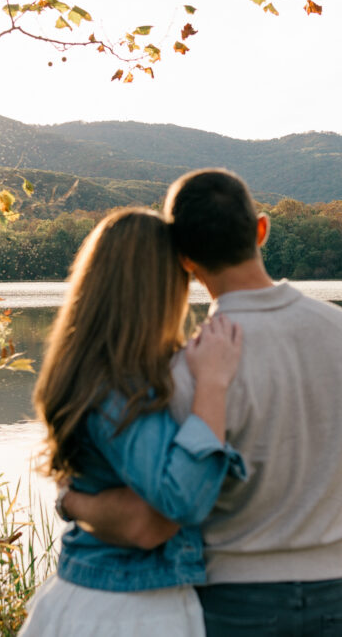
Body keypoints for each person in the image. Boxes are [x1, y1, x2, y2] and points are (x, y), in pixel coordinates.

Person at [61, 169, 342, 636]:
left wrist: (73, 500)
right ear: (261, 229)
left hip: (227, 602)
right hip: (330, 595)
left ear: (185, 260)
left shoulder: (183, 371)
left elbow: (159, 508)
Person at [18, 208, 246, 637]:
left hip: (101, 595)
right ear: (157, 288)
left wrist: (72, 502)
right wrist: (213, 385)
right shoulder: (118, 387)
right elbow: (175, 506)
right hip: (126, 608)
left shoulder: (95, 374)